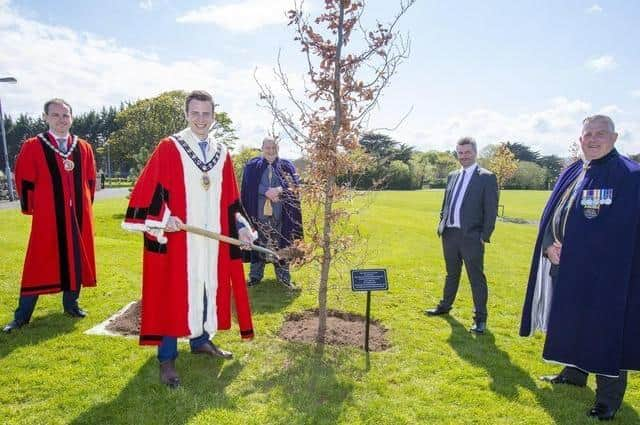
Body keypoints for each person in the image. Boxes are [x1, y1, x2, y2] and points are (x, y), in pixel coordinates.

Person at [122, 90, 255, 388]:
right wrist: (163, 218)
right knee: (173, 294)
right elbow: (148, 190)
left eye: (206, 114)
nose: (200, 119)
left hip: (211, 239)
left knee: (208, 288)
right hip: (179, 239)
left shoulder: (223, 153)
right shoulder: (170, 147)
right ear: (186, 114)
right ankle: (167, 358)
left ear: (214, 116)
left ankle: (201, 341)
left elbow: (232, 200)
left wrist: (242, 227)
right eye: (195, 113)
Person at [520, 115, 640, 421]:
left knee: (606, 332)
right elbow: (552, 215)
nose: (594, 139)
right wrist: (549, 244)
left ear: (615, 138)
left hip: (607, 278)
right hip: (566, 269)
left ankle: (607, 399)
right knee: (572, 322)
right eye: (588, 134)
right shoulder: (573, 170)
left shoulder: (629, 175)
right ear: (580, 138)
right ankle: (574, 373)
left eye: (601, 134)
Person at [3, 99, 97, 333]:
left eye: (65, 115)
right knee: (38, 261)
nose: (61, 120)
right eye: (55, 115)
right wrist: (33, 207)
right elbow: (24, 179)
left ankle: (71, 305)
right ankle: (22, 316)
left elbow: (90, 180)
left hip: (77, 216)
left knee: (76, 258)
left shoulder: (83, 147)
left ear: (72, 118)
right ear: (45, 117)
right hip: (49, 217)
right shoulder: (33, 145)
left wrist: (85, 205)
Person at [426, 137, 499, 334]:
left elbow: (491, 210)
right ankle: (444, 306)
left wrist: (484, 236)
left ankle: (480, 319)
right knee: (452, 274)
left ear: (475, 153)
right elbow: (446, 204)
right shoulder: (452, 176)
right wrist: (442, 222)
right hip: (449, 234)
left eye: (467, 152)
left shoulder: (486, 177)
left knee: (476, 278)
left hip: (472, 237)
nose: (464, 156)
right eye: (460, 153)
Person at [240, 137, 303, 289]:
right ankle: (255, 277)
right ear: (262, 148)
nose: (270, 151)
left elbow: (294, 185)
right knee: (257, 243)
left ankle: (283, 278)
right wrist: (266, 192)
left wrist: (279, 190)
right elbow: (248, 187)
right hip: (258, 214)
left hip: (281, 214)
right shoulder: (252, 166)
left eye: (273, 148)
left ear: (277, 149)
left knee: (282, 243)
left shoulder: (286, 166)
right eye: (267, 147)